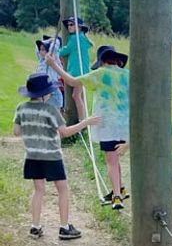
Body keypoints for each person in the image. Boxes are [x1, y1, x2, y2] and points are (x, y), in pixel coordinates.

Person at [12, 73, 100, 240]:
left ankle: (35, 227)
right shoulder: (51, 110)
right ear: (44, 94)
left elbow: (16, 132)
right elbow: (65, 132)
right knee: (63, 189)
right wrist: (85, 122)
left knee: (38, 190)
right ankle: (64, 227)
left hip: (32, 156)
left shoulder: (21, 108)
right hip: (51, 156)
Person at [47, 44, 130, 209]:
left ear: (102, 61)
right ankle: (119, 189)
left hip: (106, 124)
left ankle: (117, 197)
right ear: (117, 60)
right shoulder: (127, 74)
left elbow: (72, 81)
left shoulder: (100, 73)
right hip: (124, 124)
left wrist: (54, 65)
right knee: (115, 159)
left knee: (111, 160)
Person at [59, 16, 92, 118]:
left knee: (76, 96)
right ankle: (83, 119)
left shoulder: (75, 39)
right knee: (79, 96)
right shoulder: (83, 38)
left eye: (72, 24)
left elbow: (65, 51)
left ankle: (83, 120)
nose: (69, 26)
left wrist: (56, 51)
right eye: (68, 25)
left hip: (77, 72)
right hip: (84, 71)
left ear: (79, 27)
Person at [34, 35, 64, 110]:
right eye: (40, 50)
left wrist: (53, 40)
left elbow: (55, 45)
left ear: (48, 50)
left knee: (57, 101)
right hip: (43, 83)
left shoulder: (52, 57)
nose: (41, 52)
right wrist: (48, 40)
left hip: (51, 83)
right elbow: (37, 48)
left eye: (43, 50)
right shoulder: (41, 59)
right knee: (45, 101)